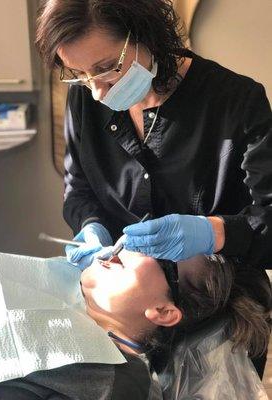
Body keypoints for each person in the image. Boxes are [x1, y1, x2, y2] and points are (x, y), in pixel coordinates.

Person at [35, 0, 272, 375]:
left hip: (223, 315)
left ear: (145, 36)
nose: (96, 91)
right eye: (78, 73)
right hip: (130, 317)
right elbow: (78, 190)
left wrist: (214, 232)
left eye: (106, 68)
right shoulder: (84, 97)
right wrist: (89, 225)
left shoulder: (236, 102)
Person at [0, 251, 271, 399]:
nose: (119, 249)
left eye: (156, 253)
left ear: (164, 311)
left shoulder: (116, 385)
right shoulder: (50, 296)